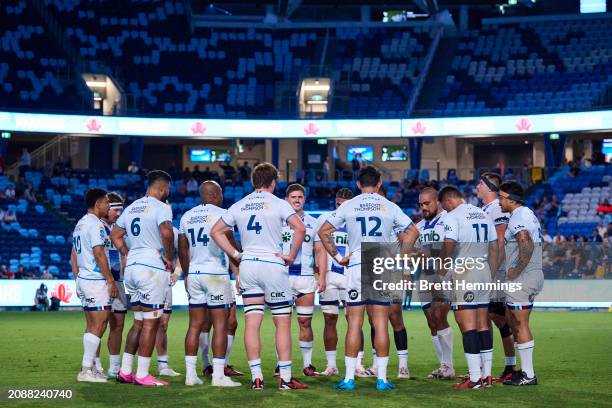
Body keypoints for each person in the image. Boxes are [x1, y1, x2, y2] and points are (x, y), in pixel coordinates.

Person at [318, 165, 419, 391]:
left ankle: (349, 378)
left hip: (356, 265)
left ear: (358, 184)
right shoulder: (390, 206)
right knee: (381, 322)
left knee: (354, 322)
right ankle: (382, 379)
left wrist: (338, 256)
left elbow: (323, 231)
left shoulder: (349, 205)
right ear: (380, 183)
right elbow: (413, 231)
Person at [210, 162, 308, 390]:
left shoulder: (240, 204)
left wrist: (236, 253)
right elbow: (301, 229)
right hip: (272, 264)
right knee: (282, 323)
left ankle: (257, 379)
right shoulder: (278, 203)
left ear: (254, 181)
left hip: (249, 266)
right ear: (273, 182)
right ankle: (285, 379)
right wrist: (291, 256)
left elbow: (215, 231)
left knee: (252, 323)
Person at [110, 170, 175, 386]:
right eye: (168, 189)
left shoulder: (131, 207)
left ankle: (126, 371)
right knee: (151, 323)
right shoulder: (161, 207)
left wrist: (126, 252)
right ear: (163, 188)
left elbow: (114, 235)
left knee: (138, 322)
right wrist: (169, 258)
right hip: (150, 269)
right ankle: (143, 374)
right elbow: (167, 233)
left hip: (133, 269)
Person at [179, 181, 241, 387]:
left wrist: (187, 274)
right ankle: (218, 376)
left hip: (195, 274)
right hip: (214, 274)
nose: (222, 196)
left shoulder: (187, 216)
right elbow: (232, 246)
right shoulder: (222, 214)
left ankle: (190, 375)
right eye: (221, 192)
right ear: (215, 194)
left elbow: (182, 248)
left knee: (194, 325)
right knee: (221, 325)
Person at [438, 186, 499, 389]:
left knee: (468, 327)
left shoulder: (452, 216)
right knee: (483, 325)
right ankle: (487, 376)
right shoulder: (482, 214)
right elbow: (494, 247)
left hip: (465, 271)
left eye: (444, 206)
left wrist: (442, 268)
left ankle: (474, 379)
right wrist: (490, 273)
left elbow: (448, 243)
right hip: (483, 270)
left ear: (447, 202)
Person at [498, 181, 544, 386]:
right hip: (529, 275)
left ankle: (528, 375)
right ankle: (524, 371)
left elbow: (525, 242)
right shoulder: (526, 214)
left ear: (512, 200)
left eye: (501, 197)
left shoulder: (519, 216)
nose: (499, 201)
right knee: (515, 321)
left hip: (523, 277)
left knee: (520, 323)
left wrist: (516, 269)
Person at [277, 183, 322, 377]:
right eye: (293, 197)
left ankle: (307, 365)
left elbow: (319, 250)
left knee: (305, 322)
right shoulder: (277, 221)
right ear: (287, 199)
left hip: (305, 279)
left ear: (304, 199)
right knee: (282, 324)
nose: (296, 200)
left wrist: (321, 275)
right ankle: (281, 365)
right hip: (282, 279)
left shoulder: (313, 222)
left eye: (300, 197)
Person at [71, 188, 116, 383]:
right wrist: (110, 280)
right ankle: (86, 370)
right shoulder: (96, 225)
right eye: (107, 202)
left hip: (84, 278)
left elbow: (74, 254)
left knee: (92, 325)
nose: (108, 205)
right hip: (95, 280)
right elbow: (99, 254)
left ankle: (91, 368)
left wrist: (78, 279)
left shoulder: (81, 223)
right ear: (98, 204)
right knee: (99, 324)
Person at [476, 172, 517, 384]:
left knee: (496, 317)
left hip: (496, 271)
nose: (477, 186)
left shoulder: (495, 209)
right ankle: (500, 366)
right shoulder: (486, 209)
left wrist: (492, 272)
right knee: (496, 317)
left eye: (481, 183)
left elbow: (500, 237)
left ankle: (498, 367)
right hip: (490, 269)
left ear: (490, 187)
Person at [315, 188, 356, 376]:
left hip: (351, 276)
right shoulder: (325, 219)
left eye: (345, 204)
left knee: (354, 321)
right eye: (339, 204)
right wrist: (320, 276)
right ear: (335, 202)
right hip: (330, 277)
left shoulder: (356, 220)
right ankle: (331, 365)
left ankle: (358, 365)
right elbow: (319, 250)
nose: (341, 208)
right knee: (329, 319)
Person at [415, 187, 454, 379]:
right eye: (420, 204)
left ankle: (449, 365)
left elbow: (453, 247)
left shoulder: (449, 220)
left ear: (437, 201)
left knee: (440, 316)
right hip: (424, 275)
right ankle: (443, 365)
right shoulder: (420, 226)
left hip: (443, 274)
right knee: (431, 321)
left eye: (427, 203)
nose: (423, 207)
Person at [101, 193, 128, 380]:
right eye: (115, 209)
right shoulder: (95, 227)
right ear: (105, 207)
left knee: (118, 325)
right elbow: (76, 254)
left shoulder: (120, 230)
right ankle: (93, 366)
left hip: (118, 282)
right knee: (98, 325)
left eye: (121, 210)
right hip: (100, 282)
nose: (119, 213)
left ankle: (114, 367)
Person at [154, 225, 181, 377]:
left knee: (163, 323)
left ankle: (162, 366)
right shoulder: (146, 228)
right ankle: (126, 366)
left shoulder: (174, 232)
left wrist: (176, 273)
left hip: (165, 279)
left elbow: (183, 252)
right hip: (147, 277)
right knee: (143, 323)